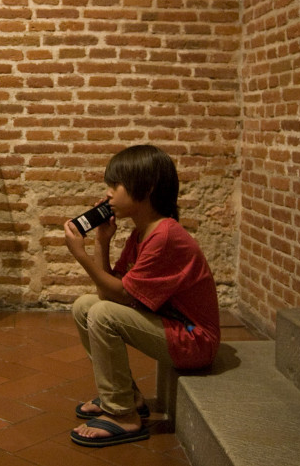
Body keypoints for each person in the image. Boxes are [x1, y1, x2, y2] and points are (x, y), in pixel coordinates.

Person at [64, 144, 220, 447]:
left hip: (193, 338)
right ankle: (128, 397)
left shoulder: (164, 236)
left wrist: (80, 255)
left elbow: (118, 296)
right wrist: (101, 241)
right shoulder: (142, 233)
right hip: (171, 324)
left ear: (146, 188)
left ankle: (123, 415)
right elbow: (106, 292)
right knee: (85, 306)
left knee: (101, 314)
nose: (108, 194)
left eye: (116, 185)